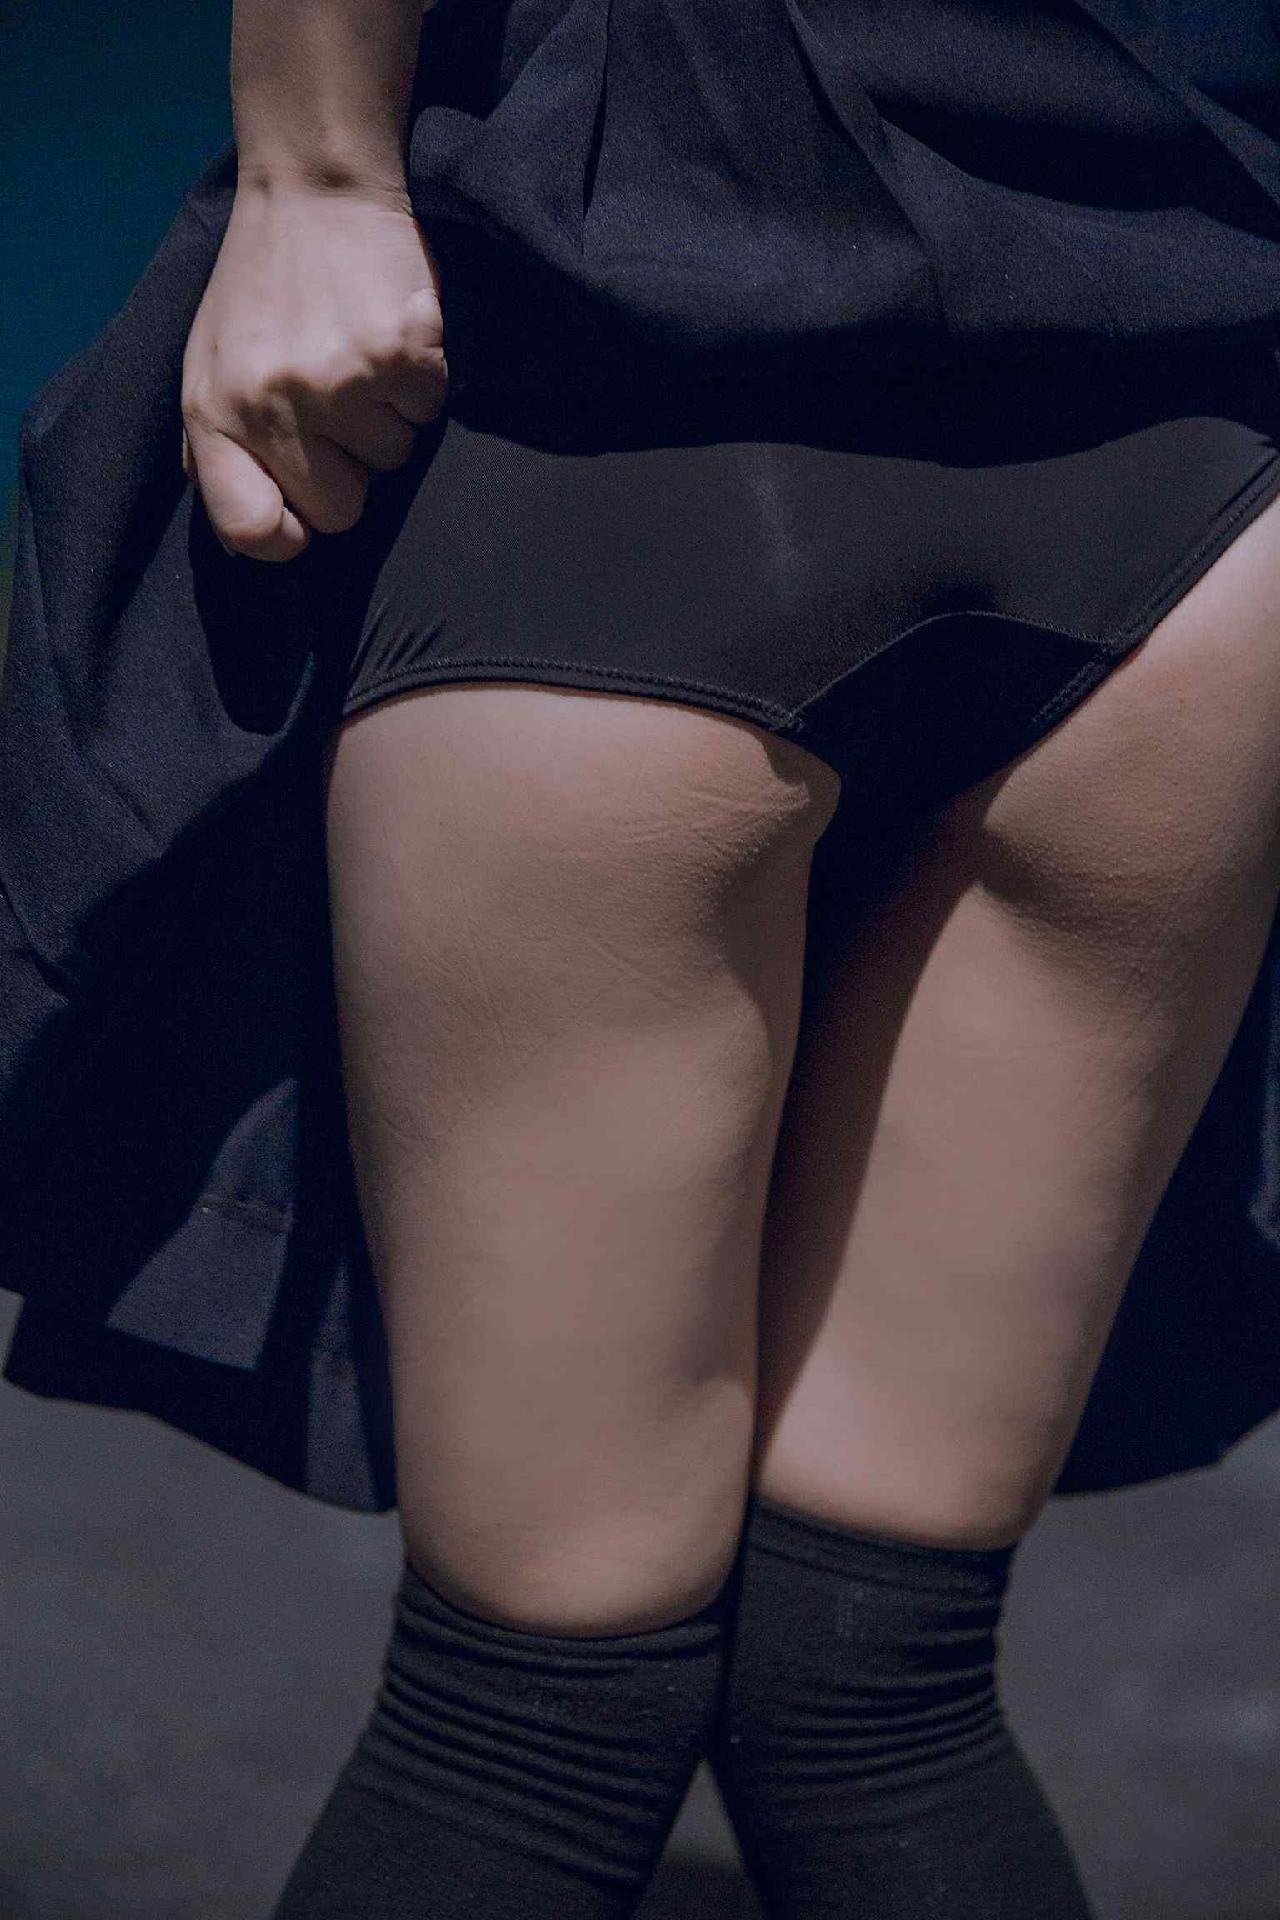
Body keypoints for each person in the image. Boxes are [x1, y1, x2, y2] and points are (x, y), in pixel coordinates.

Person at [5, 0, 1280, 1915]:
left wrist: (313, 172)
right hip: (1188, 432)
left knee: (527, 1722)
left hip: (635, 390)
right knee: (880, 1675)